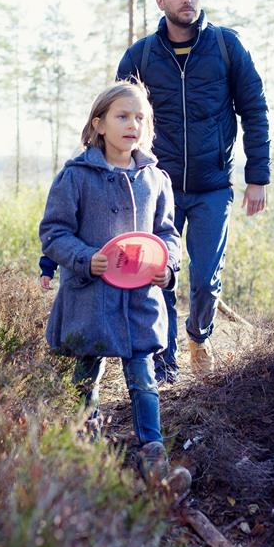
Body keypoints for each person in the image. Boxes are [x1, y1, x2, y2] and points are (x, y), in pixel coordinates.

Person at [116, 0, 270, 384]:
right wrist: (118, 179)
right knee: (157, 275)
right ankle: (164, 363)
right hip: (157, 189)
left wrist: (258, 177)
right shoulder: (141, 56)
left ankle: (198, 337)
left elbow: (254, 110)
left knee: (204, 280)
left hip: (211, 186)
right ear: (160, 1)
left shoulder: (225, 46)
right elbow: (118, 121)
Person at [39, 79, 189, 490]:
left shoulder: (155, 178)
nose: (132, 124)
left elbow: (168, 233)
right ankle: (84, 451)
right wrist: (87, 258)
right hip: (93, 298)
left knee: (143, 375)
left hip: (140, 299)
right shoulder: (77, 177)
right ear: (99, 124)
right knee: (87, 373)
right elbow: (53, 232)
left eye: (140, 117)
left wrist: (168, 267)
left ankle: (153, 454)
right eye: (122, 116)